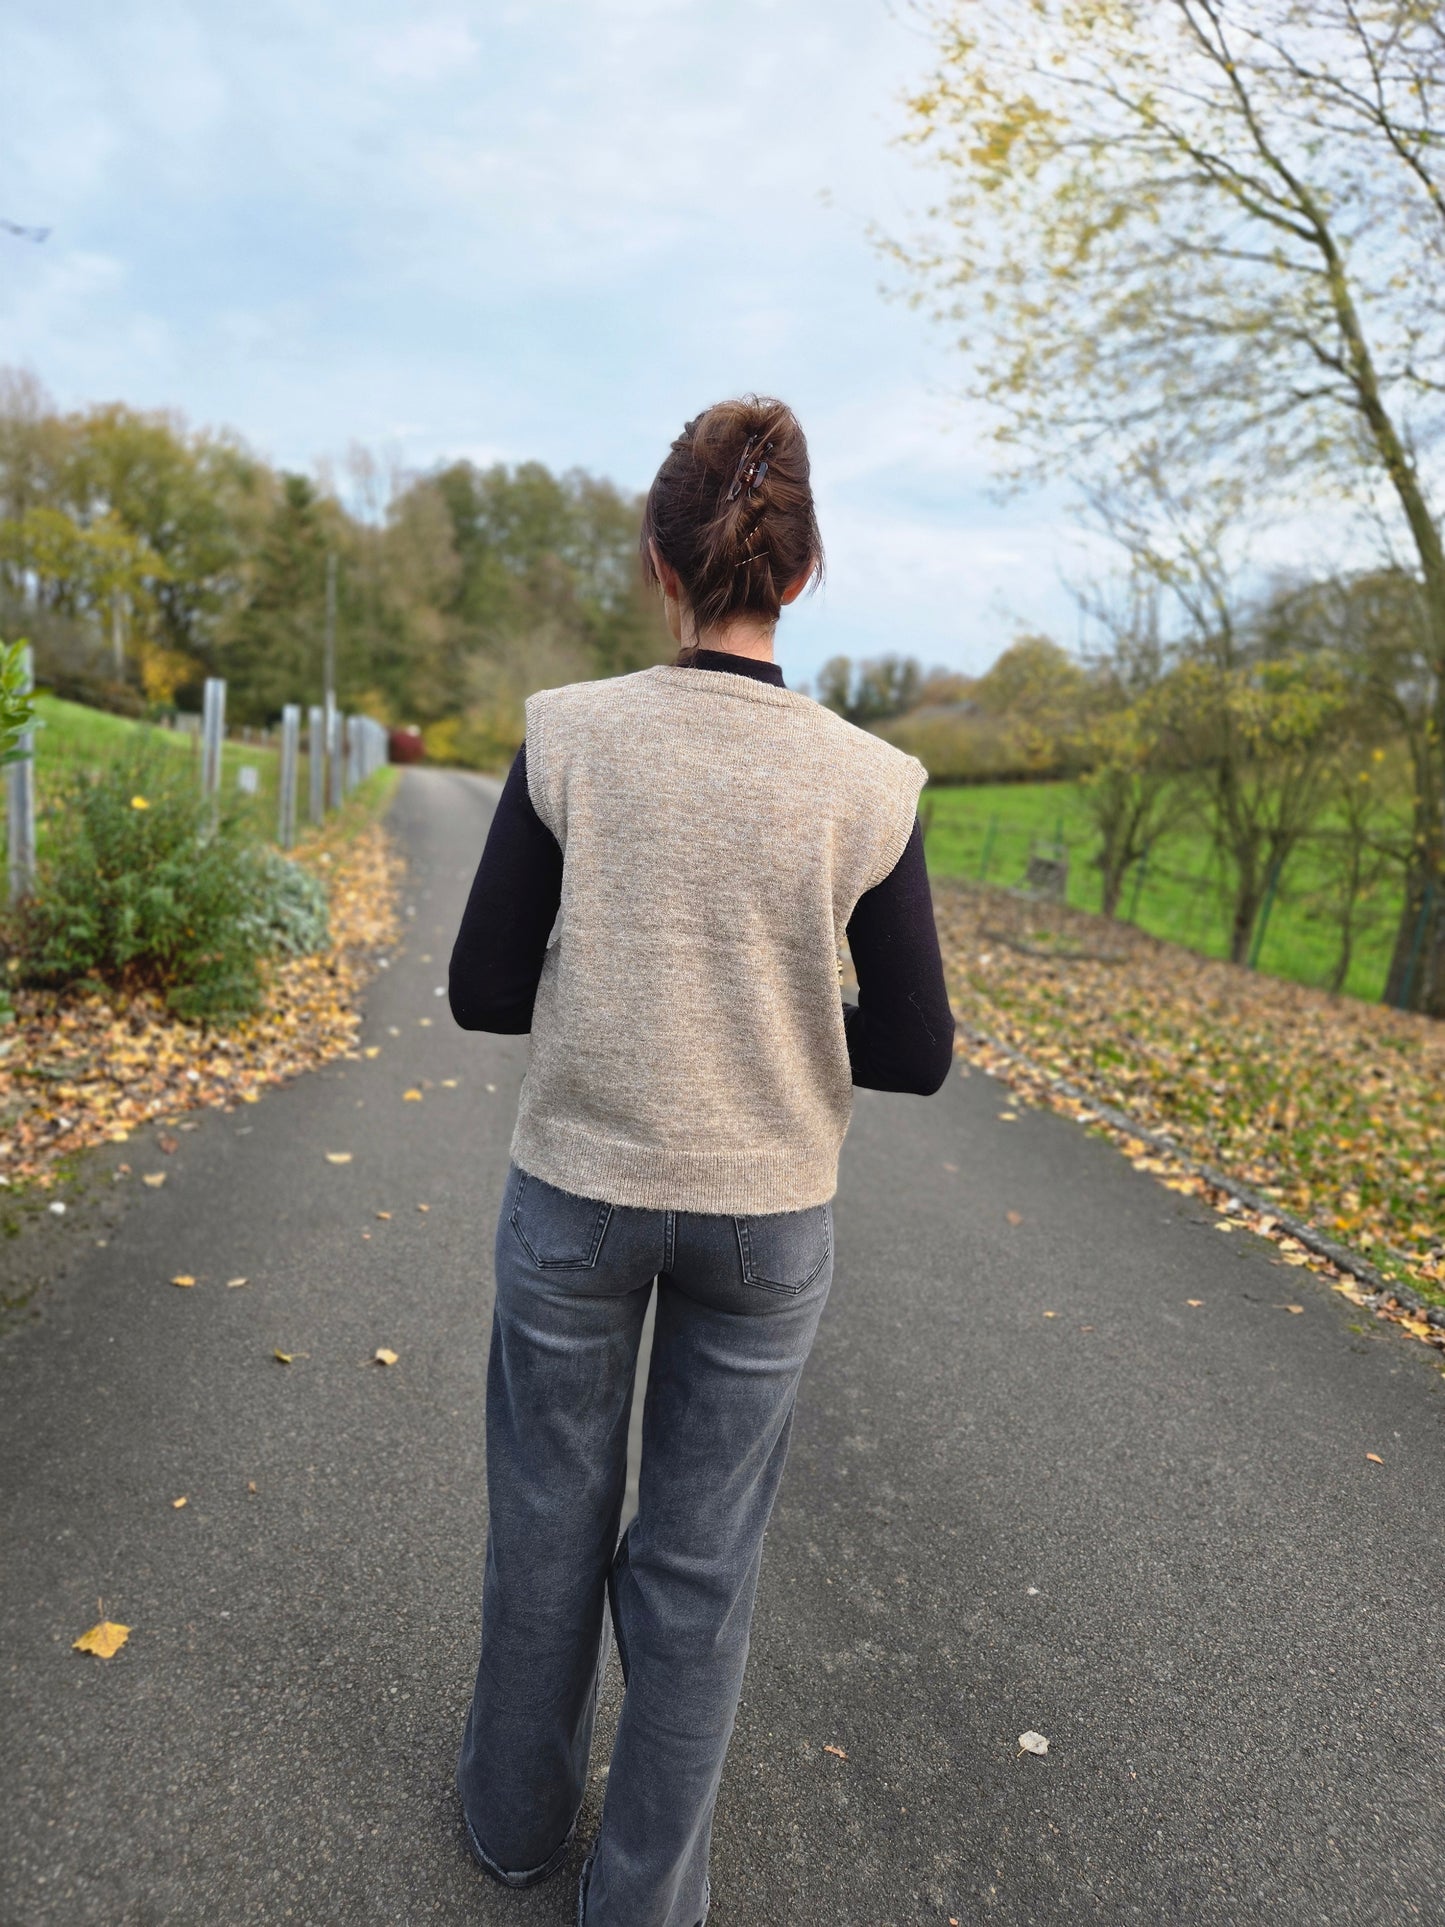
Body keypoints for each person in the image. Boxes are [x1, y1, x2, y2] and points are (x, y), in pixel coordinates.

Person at [448, 395, 954, 1926]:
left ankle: (512, 1823)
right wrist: (771, 1026)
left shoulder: (570, 735)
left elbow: (479, 990)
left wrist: (631, 997)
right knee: (699, 1561)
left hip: (576, 1203)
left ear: (657, 564)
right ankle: (643, 1898)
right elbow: (917, 1047)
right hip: (765, 1224)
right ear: (800, 578)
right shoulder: (870, 782)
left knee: (545, 1514)